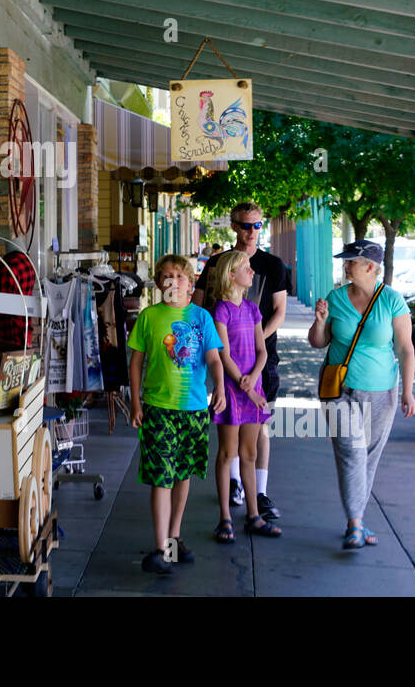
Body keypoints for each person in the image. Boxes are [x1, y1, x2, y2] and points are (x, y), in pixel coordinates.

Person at [308, 240, 415, 550]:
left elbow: (406, 349)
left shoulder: (392, 301)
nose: (346, 265)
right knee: (352, 452)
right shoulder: (336, 298)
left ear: (371, 266)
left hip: (383, 390)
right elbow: (318, 342)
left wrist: (408, 391)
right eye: (345, 261)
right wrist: (319, 322)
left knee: (368, 457)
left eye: (352, 261)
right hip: (338, 389)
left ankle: (357, 520)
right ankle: (355, 523)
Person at [128, 254, 227, 574]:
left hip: (194, 409)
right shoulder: (149, 317)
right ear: (158, 284)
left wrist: (221, 388)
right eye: (167, 277)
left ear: (190, 282)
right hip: (158, 408)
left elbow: (213, 359)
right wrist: (135, 403)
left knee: (183, 475)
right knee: (161, 478)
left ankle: (173, 539)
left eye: (180, 276)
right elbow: (136, 363)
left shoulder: (201, 318)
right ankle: (159, 549)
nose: (174, 282)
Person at [193, 202, 289, 521]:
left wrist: (255, 332)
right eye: (246, 226)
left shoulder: (273, 265)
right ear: (234, 226)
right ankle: (232, 490)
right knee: (229, 431)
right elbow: (199, 306)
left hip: (260, 358)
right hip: (227, 359)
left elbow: (278, 311)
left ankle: (258, 493)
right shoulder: (218, 264)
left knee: (260, 429)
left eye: (258, 225)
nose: (252, 232)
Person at [209, 251, 280, 542]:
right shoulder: (221, 310)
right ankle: (225, 516)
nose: (252, 272)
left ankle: (253, 514)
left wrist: (255, 380)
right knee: (228, 453)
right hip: (232, 389)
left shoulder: (252, 309)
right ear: (231, 275)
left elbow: (262, 350)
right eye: (245, 268)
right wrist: (244, 385)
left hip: (253, 388)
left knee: (249, 453)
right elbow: (223, 353)